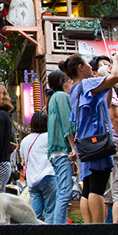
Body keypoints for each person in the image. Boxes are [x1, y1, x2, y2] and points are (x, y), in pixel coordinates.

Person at [59, 51, 118, 224]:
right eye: (87, 65)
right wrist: (115, 62)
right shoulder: (87, 84)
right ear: (80, 67)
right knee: (97, 187)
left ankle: (89, 226)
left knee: (88, 186)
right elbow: (115, 78)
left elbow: (104, 103)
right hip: (97, 140)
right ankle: (99, 228)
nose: (90, 67)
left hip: (85, 142)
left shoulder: (75, 90)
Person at [90, 57, 118, 224]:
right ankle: (117, 230)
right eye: (104, 65)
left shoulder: (87, 90)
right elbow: (114, 117)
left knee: (105, 193)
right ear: (94, 71)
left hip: (97, 146)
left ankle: (103, 232)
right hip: (114, 144)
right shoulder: (108, 89)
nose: (108, 67)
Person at [46, 70, 77, 224]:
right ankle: (59, 230)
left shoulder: (52, 99)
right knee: (65, 191)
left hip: (54, 152)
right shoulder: (62, 97)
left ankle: (57, 226)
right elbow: (67, 123)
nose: (70, 82)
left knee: (60, 191)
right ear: (63, 82)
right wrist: (73, 147)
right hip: (62, 150)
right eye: (68, 80)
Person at [21, 110, 56, 223]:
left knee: (35, 216)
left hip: (32, 181)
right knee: (50, 212)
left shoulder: (25, 141)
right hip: (48, 176)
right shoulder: (50, 137)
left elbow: (23, 162)